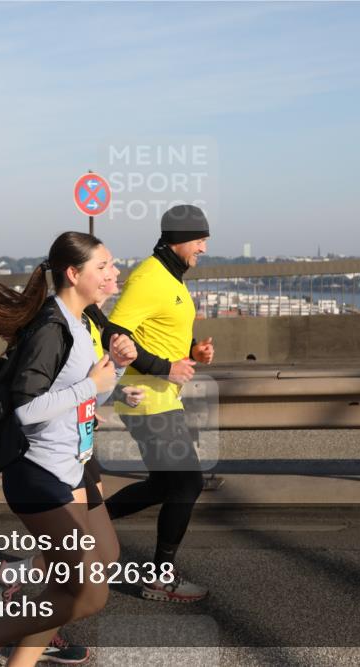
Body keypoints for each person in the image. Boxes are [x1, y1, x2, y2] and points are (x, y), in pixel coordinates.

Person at [0, 231, 137, 667]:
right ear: (73, 274)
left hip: (74, 465)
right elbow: (26, 410)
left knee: (101, 560)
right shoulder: (52, 329)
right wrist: (92, 384)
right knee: (89, 593)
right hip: (39, 473)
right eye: (103, 266)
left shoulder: (81, 323)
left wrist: (116, 370)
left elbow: (87, 398)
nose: (114, 272)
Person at [101, 204, 215, 603]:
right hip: (144, 399)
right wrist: (164, 368)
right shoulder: (149, 278)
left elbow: (159, 330)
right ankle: (160, 576)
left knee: (166, 484)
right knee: (186, 482)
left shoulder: (172, 277)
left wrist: (193, 350)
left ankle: (87, 524)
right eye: (199, 240)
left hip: (162, 398)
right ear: (179, 240)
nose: (203, 248)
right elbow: (114, 334)